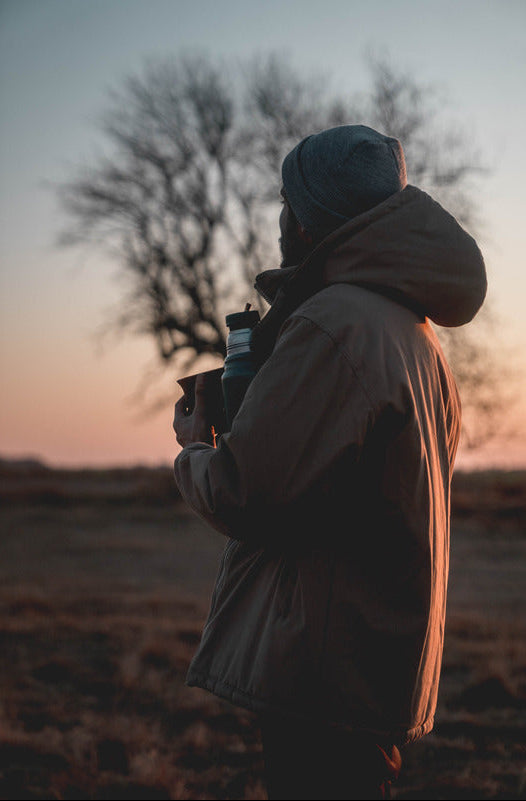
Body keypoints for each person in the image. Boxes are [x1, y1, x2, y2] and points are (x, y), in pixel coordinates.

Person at [172, 124, 487, 799]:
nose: (281, 218)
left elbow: (244, 491)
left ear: (311, 221)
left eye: (288, 203)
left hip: (323, 667)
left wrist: (196, 448)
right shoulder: (416, 335)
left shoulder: (333, 322)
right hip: (375, 659)